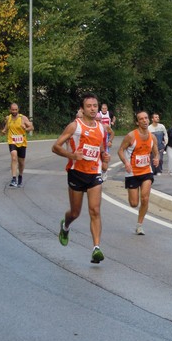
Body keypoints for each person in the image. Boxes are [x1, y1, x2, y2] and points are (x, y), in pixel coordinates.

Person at [52, 92, 111, 264]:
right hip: (76, 173)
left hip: (94, 173)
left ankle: (96, 248)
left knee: (95, 210)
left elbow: (100, 148)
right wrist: (72, 155)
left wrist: (104, 157)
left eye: (95, 106)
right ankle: (66, 225)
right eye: (89, 106)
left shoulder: (101, 128)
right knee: (75, 212)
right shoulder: (74, 126)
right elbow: (55, 147)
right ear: (82, 109)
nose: (93, 109)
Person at [117, 111, 159, 235]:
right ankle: (133, 199)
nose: (145, 121)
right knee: (134, 203)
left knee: (145, 198)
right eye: (141, 119)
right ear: (137, 122)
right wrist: (126, 162)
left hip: (146, 171)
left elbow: (155, 151)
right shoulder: (131, 136)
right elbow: (120, 150)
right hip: (132, 173)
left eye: (146, 118)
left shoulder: (153, 137)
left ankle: (139, 225)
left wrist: (156, 158)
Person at [2, 103, 34, 187]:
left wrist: (26, 128)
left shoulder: (23, 118)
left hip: (22, 142)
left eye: (16, 110)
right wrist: (4, 130)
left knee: (21, 162)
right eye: (13, 110)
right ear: (10, 110)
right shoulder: (8, 118)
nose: (14, 111)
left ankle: (20, 176)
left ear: (18, 110)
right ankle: (13, 178)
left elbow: (32, 127)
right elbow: (6, 127)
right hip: (12, 141)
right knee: (13, 157)